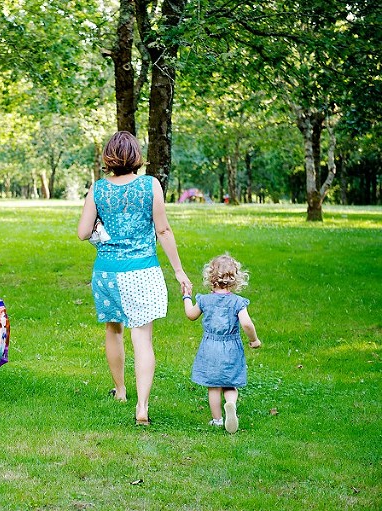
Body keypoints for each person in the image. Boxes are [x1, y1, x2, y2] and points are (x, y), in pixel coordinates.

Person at [77, 131, 191, 425]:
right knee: (142, 338)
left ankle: (120, 390)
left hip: (106, 273)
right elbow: (163, 230)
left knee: (113, 330)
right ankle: (142, 405)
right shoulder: (150, 185)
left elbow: (82, 232)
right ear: (136, 157)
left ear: (109, 157)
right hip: (141, 272)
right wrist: (178, 270)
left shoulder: (98, 189)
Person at [182, 254, 262, 433]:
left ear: (210, 276)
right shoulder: (237, 302)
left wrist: (186, 297)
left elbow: (191, 315)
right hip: (231, 348)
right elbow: (247, 324)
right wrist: (254, 340)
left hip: (210, 348)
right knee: (230, 383)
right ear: (235, 279)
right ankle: (231, 403)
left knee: (213, 386)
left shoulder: (204, 300)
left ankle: (217, 420)